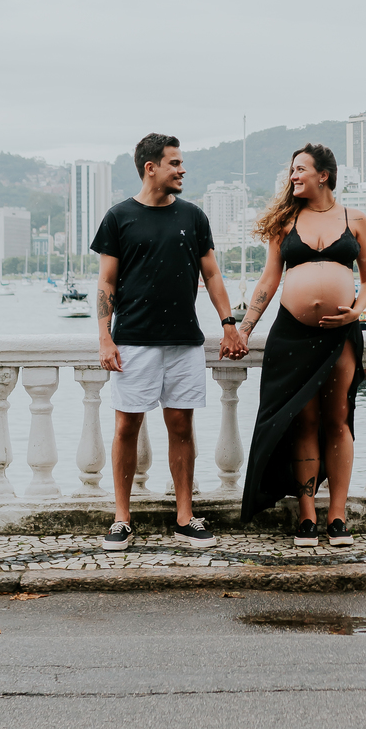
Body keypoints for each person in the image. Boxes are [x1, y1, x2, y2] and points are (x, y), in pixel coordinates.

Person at [92, 132, 244, 553]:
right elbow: (106, 282)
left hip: (183, 341)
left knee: (181, 427)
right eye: (174, 163)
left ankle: (184, 517)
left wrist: (229, 324)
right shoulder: (118, 217)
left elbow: (212, 274)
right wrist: (104, 337)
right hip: (133, 341)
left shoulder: (192, 216)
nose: (182, 170)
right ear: (151, 167)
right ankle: (122, 519)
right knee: (126, 427)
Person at [235, 143, 366, 547]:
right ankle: (307, 515)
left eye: (300, 169)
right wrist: (244, 329)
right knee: (304, 420)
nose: (293, 176)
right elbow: (269, 280)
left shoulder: (355, 220)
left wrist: (356, 312)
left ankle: (338, 516)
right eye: (292, 170)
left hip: (340, 334)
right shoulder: (286, 221)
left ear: (323, 175)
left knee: (338, 419)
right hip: (291, 334)